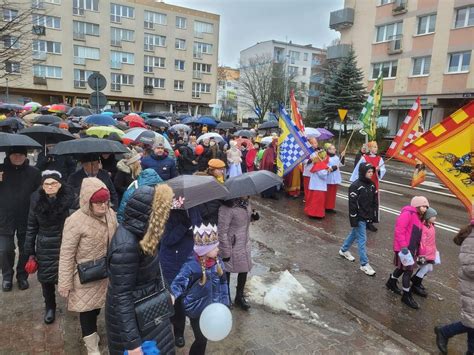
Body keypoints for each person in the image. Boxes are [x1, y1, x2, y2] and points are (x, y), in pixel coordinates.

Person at [106, 184, 175, 355]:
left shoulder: (145, 234)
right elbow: (121, 297)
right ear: (150, 215)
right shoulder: (125, 247)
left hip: (149, 310)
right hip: (137, 322)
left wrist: (167, 291)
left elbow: (155, 267)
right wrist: (133, 344)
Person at [58, 178, 117, 355]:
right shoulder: (74, 221)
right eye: (98, 202)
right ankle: (92, 348)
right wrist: (64, 283)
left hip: (107, 273)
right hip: (85, 276)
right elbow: (66, 253)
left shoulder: (111, 214)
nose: (103, 206)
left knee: (101, 307)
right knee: (87, 311)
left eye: (105, 201)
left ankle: (98, 337)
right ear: (87, 201)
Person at [171, 223, 229, 355]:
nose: (218, 250)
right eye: (215, 247)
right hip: (196, 309)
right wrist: (173, 294)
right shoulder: (192, 265)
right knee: (201, 339)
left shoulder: (218, 263)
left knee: (204, 339)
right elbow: (180, 281)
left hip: (212, 308)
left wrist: (224, 303)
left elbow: (223, 283)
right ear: (204, 250)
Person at [25, 170, 74, 324]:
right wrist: (30, 251)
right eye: (47, 184)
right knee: (46, 280)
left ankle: (73, 303)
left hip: (65, 243)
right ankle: (50, 307)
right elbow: (31, 226)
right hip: (45, 245)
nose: (50, 186)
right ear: (42, 186)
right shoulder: (36, 201)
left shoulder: (70, 200)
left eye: (54, 183)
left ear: (60, 185)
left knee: (69, 275)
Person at [0, 146, 41, 291]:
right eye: (14, 154)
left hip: (26, 217)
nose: (18, 157)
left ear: (26, 156)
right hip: (4, 217)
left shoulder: (34, 173)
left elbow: (39, 194)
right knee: (5, 250)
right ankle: (7, 276)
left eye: (21, 154)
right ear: (9, 155)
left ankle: (22, 276)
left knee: (25, 249)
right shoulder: (1, 170)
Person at [160, 207, 201, 349]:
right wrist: (183, 226)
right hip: (172, 261)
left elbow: (198, 230)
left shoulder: (196, 209)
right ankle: (176, 331)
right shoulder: (167, 212)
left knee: (185, 297)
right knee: (175, 299)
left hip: (188, 258)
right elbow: (166, 240)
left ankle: (179, 330)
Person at [434, 222, 474, 354]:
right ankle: (445, 332)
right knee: (471, 321)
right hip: (471, 289)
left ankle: (445, 332)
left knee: (472, 322)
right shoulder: (471, 240)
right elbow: (469, 267)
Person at [386, 196, 429, 309]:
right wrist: (403, 247)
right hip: (404, 249)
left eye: (426, 207)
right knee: (408, 271)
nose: (425, 208)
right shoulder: (408, 214)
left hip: (411, 249)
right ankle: (406, 295)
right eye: (424, 206)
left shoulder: (419, 217)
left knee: (402, 268)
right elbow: (400, 230)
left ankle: (391, 282)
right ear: (417, 205)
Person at [338, 163, 377, 276]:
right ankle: (364, 264)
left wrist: (373, 216)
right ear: (363, 172)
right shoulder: (355, 186)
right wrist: (354, 218)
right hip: (359, 216)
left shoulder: (372, 185)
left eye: (372, 172)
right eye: (368, 172)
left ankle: (344, 250)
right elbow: (352, 204)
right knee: (362, 239)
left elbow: (374, 203)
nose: (371, 174)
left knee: (354, 234)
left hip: (366, 216)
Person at [219, 197, 257, 311]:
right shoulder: (227, 208)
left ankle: (239, 297)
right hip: (231, 244)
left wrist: (253, 217)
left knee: (243, 269)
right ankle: (226, 298)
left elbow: (243, 221)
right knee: (227, 271)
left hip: (244, 243)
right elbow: (221, 231)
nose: (248, 194)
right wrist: (225, 251)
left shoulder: (246, 204)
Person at [350, 141, 385, 232]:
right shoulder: (364, 158)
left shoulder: (379, 158)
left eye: (376, 147)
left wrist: (378, 170)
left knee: (373, 202)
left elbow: (383, 169)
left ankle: (370, 222)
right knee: (365, 202)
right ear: (369, 148)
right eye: (374, 147)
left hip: (374, 183)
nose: (376, 148)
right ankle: (363, 220)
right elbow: (359, 168)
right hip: (365, 183)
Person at [411, 207, 438, 297]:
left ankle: (415, 278)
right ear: (427, 217)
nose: (435, 218)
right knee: (425, 268)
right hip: (423, 253)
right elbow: (422, 243)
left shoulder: (432, 225)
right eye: (433, 216)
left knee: (429, 268)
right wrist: (421, 255)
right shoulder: (424, 228)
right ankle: (416, 285)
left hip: (431, 252)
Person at [194, 159, 226, 225]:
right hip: (208, 216)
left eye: (222, 170)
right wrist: (206, 213)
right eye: (220, 170)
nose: (222, 172)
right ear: (213, 170)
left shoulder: (217, 179)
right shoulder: (207, 182)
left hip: (213, 213)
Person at [304, 150, 329, 219]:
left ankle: (311, 213)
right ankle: (316, 214)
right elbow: (323, 175)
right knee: (317, 202)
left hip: (315, 186)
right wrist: (329, 171)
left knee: (313, 201)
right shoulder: (320, 164)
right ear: (323, 157)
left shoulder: (317, 163)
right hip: (319, 187)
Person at [325, 144, 344, 213]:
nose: (335, 150)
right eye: (333, 149)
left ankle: (330, 207)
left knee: (333, 194)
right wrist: (333, 168)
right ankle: (326, 206)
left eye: (334, 148)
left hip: (335, 178)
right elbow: (325, 167)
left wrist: (342, 156)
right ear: (328, 150)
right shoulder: (326, 157)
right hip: (329, 178)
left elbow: (340, 164)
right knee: (328, 194)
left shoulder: (336, 157)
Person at [302, 138, 319, 202]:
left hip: (315, 173)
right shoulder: (307, 151)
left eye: (316, 142)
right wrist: (311, 160)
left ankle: (311, 199)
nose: (316, 144)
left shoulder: (318, 151)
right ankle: (307, 199)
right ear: (310, 144)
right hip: (308, 173)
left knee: (313, 187)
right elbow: (303, 161)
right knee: (307, 188)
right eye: (314, 143)